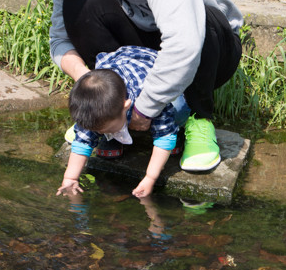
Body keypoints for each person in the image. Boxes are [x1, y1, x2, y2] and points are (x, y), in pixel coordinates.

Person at [1, 0, 243, 172]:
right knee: (81, 3)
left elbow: (185, 43)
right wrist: (96, 91)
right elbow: (59, 41)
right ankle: (113, 122)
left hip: (212, 48)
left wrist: (145, 108)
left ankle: (200, 119)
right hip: (144, 52)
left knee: (202, 20)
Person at [57, 45, 189, 198]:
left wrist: (150, 178)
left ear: (126, 107)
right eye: (100, 132)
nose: (100, 133)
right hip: (120, 67)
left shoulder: (150, 95)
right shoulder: (95, 101)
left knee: (178, 111)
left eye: (107, 130)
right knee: (99, 127)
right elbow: (82, 141)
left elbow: (164, 138)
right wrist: (70, 178)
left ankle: (178, 130)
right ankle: (116, 135)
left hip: (163, 82)